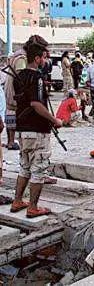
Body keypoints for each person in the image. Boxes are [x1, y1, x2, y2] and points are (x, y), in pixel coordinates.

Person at [9, 35, 63, 218]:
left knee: (24, 166)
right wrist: (55, 120)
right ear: (38, 58)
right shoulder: (37, 77)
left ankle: (17, 201)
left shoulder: (19, 76)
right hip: (37, 130)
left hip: (22, 129)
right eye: (44, 57)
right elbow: (36, 104)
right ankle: (33, 207)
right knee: (39, 169)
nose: (45, 60)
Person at [4, 49, 27, 151]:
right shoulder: (21, 58)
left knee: (10, 114)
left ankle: (10, 141)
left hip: (9, 89)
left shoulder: (15, 57)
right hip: (14, 91)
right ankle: (11, 141)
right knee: (12, 113)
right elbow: (20, 75)